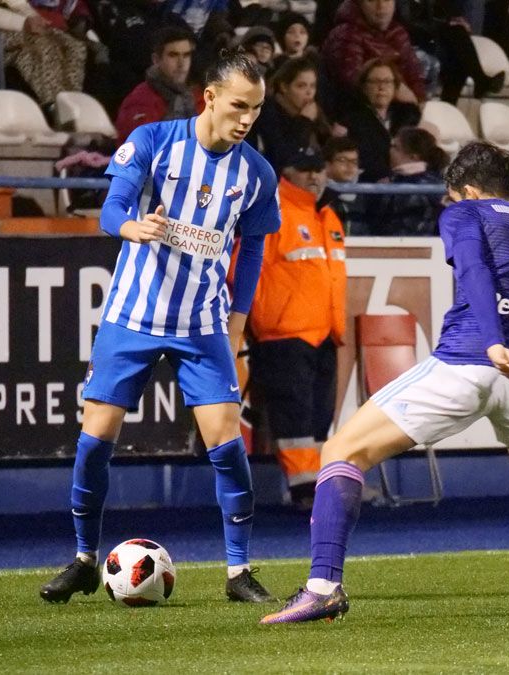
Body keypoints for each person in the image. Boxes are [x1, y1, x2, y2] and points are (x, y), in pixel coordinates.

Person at [260, 140, 509, 624]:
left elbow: (471, 267)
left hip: (472, 360)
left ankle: (323, 587)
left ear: (467, 190)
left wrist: (492, 341)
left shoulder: (465, 213)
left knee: (341, 452)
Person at [39, 49, 281, 605]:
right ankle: (82, 559)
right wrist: (131, 227)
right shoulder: (154, 143)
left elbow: (250, 255)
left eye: (258, 109)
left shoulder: (256, 174)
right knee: (95, 440)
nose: (246, 119)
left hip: (201, 324)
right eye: (239, 106)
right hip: (132, 317)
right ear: (211, 97)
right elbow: (110, 207)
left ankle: (239, 572)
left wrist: (237, 325)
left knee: (227, 444)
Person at [246, 146, 347, 508]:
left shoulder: (329, 216)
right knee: (295, 418)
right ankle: (305, 490)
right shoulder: (273, 212)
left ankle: (320, 486)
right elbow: (243, 272)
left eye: (319, 169)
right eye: (306, 170)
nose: (315, 176)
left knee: (319, 418)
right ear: (286, 173)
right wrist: (259, 322)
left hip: (324, 334)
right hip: (283, 334)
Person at [0, 0, 88, 110]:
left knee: (73, 46)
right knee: (41, 47)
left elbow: (18, 3)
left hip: (17, 24)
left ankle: (72, 103)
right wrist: (24, 23)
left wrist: (35, 18)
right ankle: (52, 104)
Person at [324, 0, 427, 108]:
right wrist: (395, 87)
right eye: (372, 0)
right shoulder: (345, 35)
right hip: (361, 115)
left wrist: (420, 100)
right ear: (359, 4)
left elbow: (414, 72)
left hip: (401, 114)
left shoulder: (398, 31)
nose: (381, 6)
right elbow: (351, 84)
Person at [336, 58, 422, 183]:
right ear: (364, 87)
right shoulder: (352, 120)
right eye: (375, 82)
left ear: (395, 87)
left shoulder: (407, 117)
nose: (381, 87)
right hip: (371, 184)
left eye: (387, 82)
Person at [115, 25, 200, 143]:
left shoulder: (197, 96)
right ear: (156, 60)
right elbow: (142, 150)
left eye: (186, 55)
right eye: (173, 55)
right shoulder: (139, 101)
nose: (181, 64)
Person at [245, 56, 332, 171]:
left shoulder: (313, 113)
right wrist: (304, 122)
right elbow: (281, 157)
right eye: (301, 86)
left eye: (312, 86)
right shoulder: (266, 112)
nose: (309, 92)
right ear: (284, 87)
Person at [368, 126, 446, 235]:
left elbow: (404, 231)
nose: (390, 150)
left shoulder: (419, 188)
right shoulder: (395, 180)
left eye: (395, 147)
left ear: (413, 157)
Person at [320, 136, 368, 233]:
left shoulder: (363, 195)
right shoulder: (319, 197)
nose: (350, 166)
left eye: (354, 162)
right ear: (327, 165)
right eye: (342, 160)